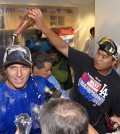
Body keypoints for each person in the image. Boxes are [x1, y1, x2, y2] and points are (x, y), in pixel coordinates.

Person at [29, 8, 120, 134]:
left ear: (114, 62)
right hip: (72, 123)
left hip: (95, 129)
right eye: (98, 53)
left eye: (104, 57)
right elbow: (62, 46)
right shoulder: (84, 61)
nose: (98, 58)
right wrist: (43, 27)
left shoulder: (116, 85)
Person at [0, 45, 64, 134]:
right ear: (5, 70)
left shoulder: (41, 83)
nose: (19, 74)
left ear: (31, 68)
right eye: (13, 67)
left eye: (24, 67)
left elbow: (63, 102)